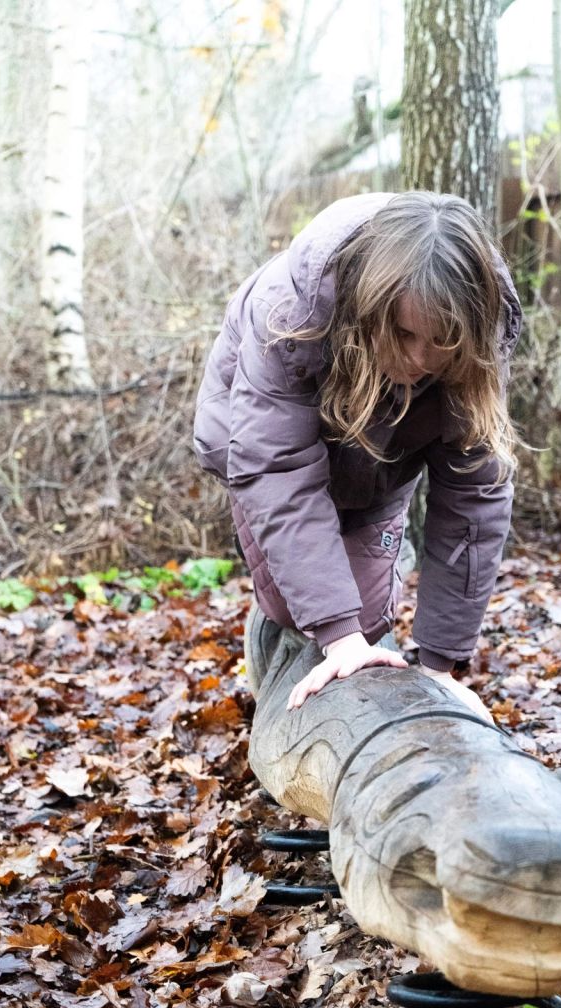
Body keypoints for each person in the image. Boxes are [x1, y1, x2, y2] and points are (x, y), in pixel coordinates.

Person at [193, 191, 522, 720]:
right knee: (299, 615)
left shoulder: (481, 328)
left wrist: (439, 666)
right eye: (405, 334)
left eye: (441, 340)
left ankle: (371, 564)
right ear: (372, 309)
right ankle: (287, 621)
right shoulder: (291, 311)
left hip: (380, 460)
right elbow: (276, 470)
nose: (419, 359)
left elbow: (474, 497)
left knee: (366, 622)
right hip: (258, 443)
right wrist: (338, 638)